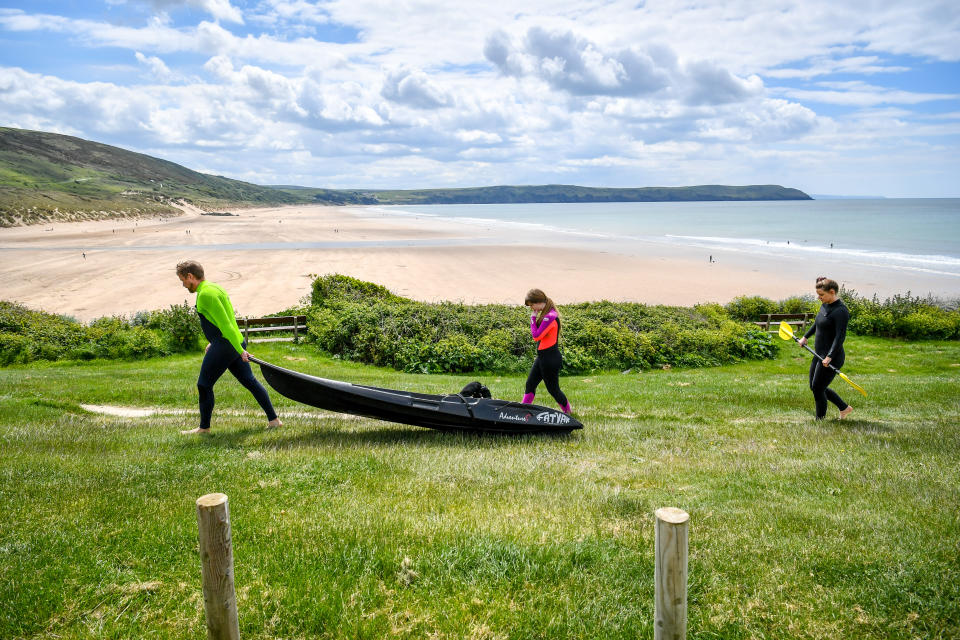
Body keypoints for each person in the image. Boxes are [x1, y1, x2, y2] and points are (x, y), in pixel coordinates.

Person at [175, 260, 281, 434]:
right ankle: (274, 420)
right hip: (229, 342)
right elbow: (226, 320)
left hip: (226, 344)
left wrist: (240, 351)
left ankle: (204, 428)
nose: (184, 285)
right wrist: (217, 342)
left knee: (204, 384)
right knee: (250, 381)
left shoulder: (205, 294)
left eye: (183, 281)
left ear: (190, 276)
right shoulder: (215, 288)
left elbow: (226, 325)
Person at [799, 277, 853, 421]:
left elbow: (840, 337)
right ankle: (844, 408)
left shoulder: (841, 311)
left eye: (821, 295)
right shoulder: (825, 305)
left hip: (832, 357)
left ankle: (820, 420)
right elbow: (818, 322)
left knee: (818, 388)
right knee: (814, 386)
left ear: (832, 292)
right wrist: (806, 337)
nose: (819, 298)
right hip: (819, 354)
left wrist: (829, 356)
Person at [522, 289, 572, 414]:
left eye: (531, 305)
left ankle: (568, 412)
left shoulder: (550, 317)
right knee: (530, 384)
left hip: (550, 359)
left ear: (538, 302)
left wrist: (532, 319)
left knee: (553, 389)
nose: (532, 308)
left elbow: (536, 336)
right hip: (542, 357)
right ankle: (522, 411)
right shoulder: (546, 315)